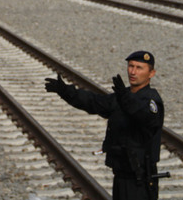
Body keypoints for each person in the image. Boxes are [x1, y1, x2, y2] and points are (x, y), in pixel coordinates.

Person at [44, 51, 164, 200]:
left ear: (151, 73)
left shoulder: (151, 101)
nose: (133, 72)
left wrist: (125, 98)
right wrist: (65, 91)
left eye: (139, 68)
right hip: (120, 174)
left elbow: (143, 116)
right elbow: (94, 102)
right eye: (131, 66)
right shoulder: (122, 96)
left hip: (140, 180)